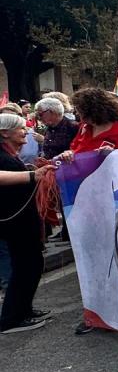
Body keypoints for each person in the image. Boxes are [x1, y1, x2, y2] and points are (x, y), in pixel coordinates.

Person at [0, 114, 57, 334]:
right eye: (21, 128)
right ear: (5, 132)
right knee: (25, 265)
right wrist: (33, 176)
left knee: (31, 265)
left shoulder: (9, 153)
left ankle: (23, 310)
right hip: (14, 221)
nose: (26, 132)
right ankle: (11, 319)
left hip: (21, 219)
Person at [59, 87, 118, 160]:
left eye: (79, 109)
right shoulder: (84, 127)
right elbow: (74, 148)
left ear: (90, 111)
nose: (76, 113)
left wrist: (114, 154)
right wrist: (68, 154)